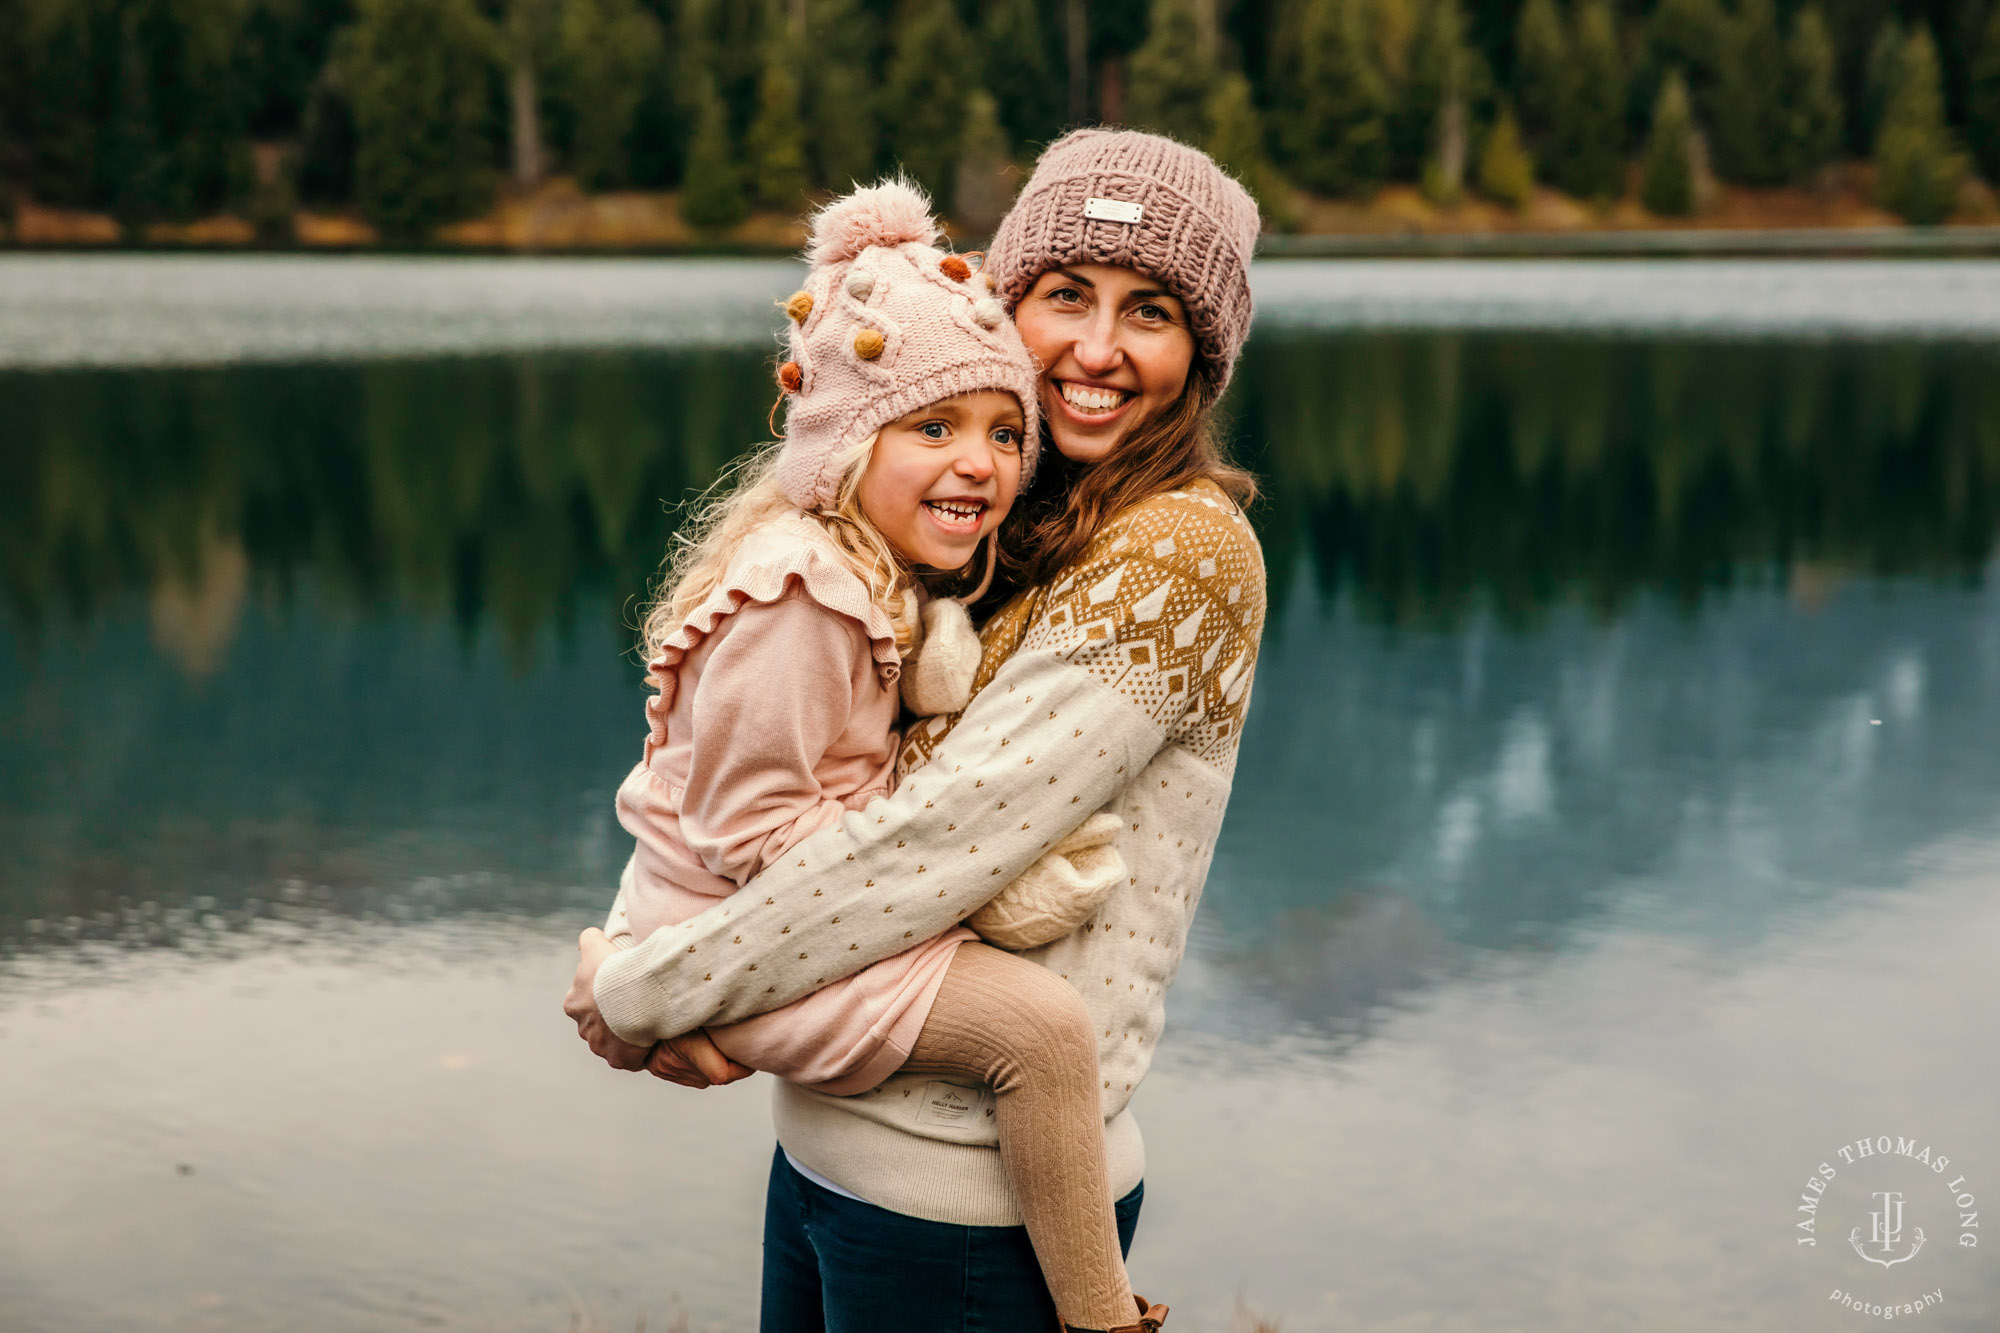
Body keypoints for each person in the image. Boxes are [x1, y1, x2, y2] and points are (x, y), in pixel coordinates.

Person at [564, 128, 1266, 1333]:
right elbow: (755, 758)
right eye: (1063, 297)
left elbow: (929, 848)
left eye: (1148, 312)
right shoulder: (977, 514)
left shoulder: (1177, 555)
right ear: (1007, 301)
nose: (1095, 350)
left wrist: (649, 990)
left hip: (973, 1211)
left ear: (1201, 356)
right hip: (832, 1155)